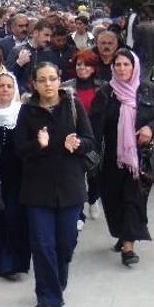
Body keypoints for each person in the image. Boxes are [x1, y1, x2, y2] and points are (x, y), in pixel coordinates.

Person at [14, 62, 95, 307]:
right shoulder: (28, 111)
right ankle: (48, 296)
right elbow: (19, 149)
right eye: (42, 80)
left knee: (65, 243)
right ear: (34, 84)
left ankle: (57, 282)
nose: (48, 84)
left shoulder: (73, 105)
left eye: (52, 78)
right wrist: (39, 144)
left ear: (60, 80)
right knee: (42, 244)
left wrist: (78, 143)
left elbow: (90, 140)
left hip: (70, 187)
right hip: (38, 190)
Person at [90, 49, 154, 266]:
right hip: (111, 160)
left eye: (126, 64)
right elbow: (94, 127)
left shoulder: (148, 90)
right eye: (118, 65)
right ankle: (123, 234)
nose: (122, 69)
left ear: (135, 67)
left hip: (140, 160)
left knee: (133, 200)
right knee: (113, 200)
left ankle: (128, 247)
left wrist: (151, 128)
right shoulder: (106, 94)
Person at [0, 72, 30, 279]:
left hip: (17, 174)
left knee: (14, 216)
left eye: (9, 86)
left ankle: (13, 263)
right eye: (0, 86)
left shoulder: (22, 112)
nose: (5, 90)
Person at [62, 49, 106, 224]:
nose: (83, 68)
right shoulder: (66, 86)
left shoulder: (102, 86)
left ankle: (93, 199)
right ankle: (78, 210)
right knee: (76, 173)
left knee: (94, 172)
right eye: (79, 64)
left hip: (95, 133)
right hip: (73, 133)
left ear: (94, 68)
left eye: (87, 65)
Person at [7, 20, 55, 94]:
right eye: (46, 35)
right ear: (35, 33)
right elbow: (7, 76)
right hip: (22, 96)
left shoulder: (49, 53)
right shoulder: (17, 51)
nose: (48, 39)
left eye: (50, 36)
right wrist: (19, 63)